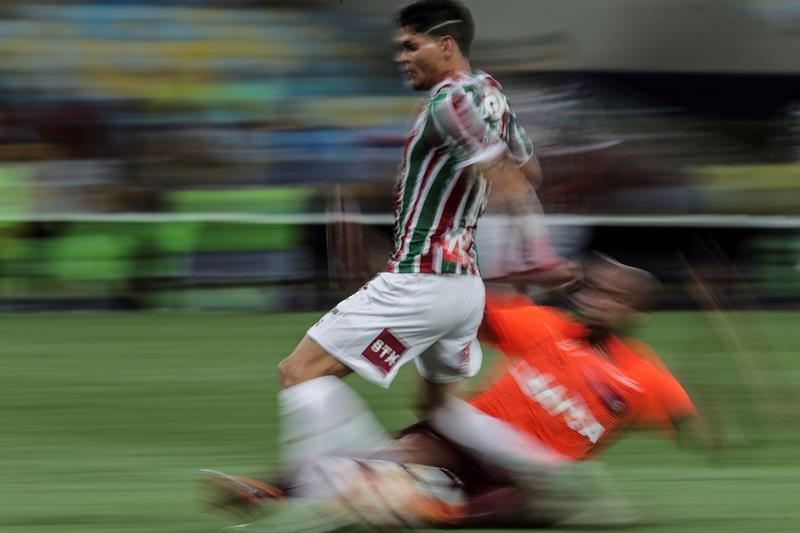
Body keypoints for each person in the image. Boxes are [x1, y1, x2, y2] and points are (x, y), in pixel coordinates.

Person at [202, 253, 699, 530]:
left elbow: (695, 429)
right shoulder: (541, 324)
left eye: (614, 295)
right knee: (401, 456)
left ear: (637, 311)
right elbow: (460, 306)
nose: (597, 299)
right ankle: (272, 488)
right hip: (466, 436)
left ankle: (432, 509)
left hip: (525, 471)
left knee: (522, 506)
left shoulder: (648, 380)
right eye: (595, 289)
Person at [273, 0, 558, 470]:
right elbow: (532, 172)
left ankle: (359, 485)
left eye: (410, 46)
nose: (401, 58)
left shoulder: (448, 102)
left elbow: (508, 179)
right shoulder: (491, 91)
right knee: (442, 413)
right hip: (465, 289)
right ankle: (549, 478)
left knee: (300, 373)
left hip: (420, 279)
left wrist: (536, 254)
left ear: (445, 45)